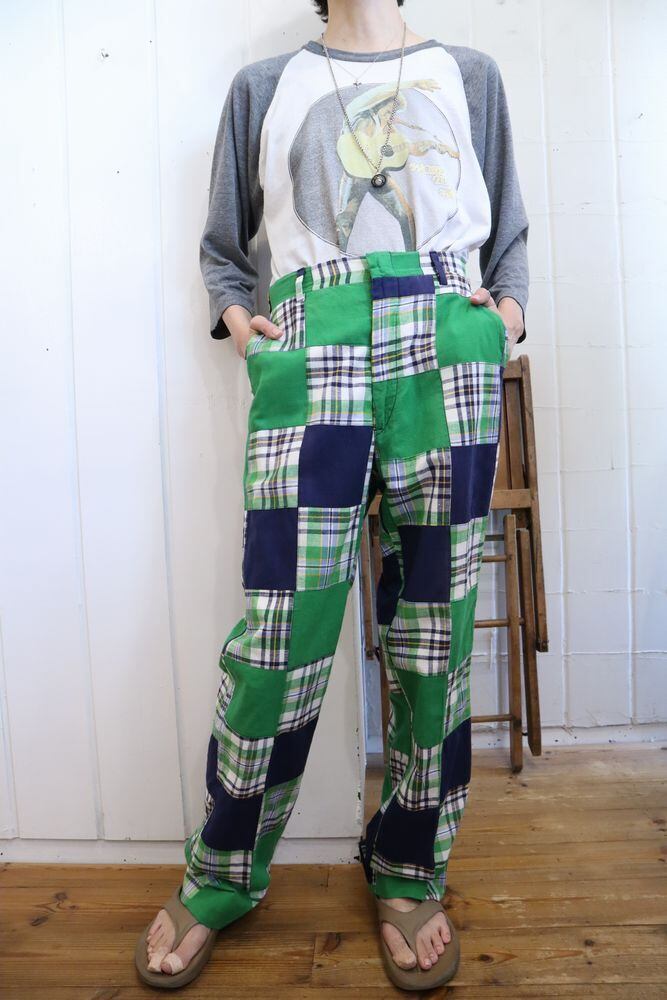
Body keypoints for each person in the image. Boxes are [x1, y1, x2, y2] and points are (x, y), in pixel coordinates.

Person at [135, 0, 529, 991]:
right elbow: (224, 248)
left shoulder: (469, 74)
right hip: (313, 350)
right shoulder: (264, 88)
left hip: (446, 344)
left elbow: (510, 235)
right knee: (282, 631)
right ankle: (223, 872)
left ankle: (407, 868)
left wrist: (503, 316)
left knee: (432, 630)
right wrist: (242, 323)